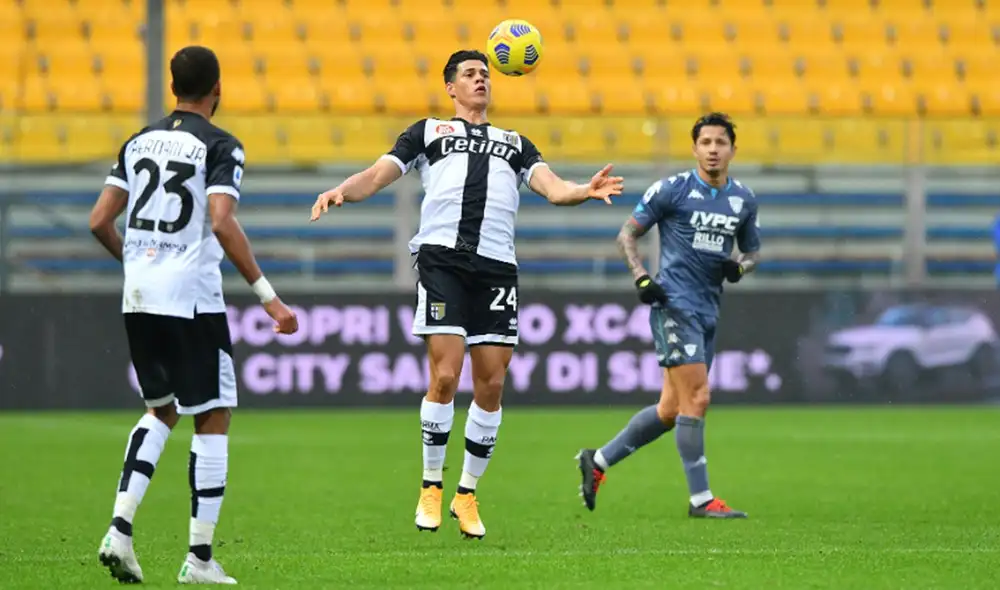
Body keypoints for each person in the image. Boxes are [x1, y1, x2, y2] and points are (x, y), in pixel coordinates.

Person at [310, 49, 623, 539]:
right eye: (470, 75)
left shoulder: (515, 143)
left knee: (492, 385)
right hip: (443, 261)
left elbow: (554, 188)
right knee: (445, 375)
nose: (480, 81)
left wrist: (586, 189)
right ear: (450, 88)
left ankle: (467, 493)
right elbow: (377, 174)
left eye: (485, 75)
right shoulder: (428, 132)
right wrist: (341, 191)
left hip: (497, 267)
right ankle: (431, 485)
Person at [88, 45, 298, 584]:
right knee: (214, 414)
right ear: (217, 89)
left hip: (139, 293)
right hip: (192, 298)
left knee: (160, 410)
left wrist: (137, 263)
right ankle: (200, 560)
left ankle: (119, 529)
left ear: (174, 87)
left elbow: (98, 221)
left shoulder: (137, 141)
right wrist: (269, 296)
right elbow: (223, 222)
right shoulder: (221, 144)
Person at [576, 112, 761, 519]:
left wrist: (740, 269)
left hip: (709, 308)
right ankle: (701, 500)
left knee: (671, 410)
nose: (713, 149)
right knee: (698, 397)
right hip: (675, 304)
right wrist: (642, 277)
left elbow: (751, 252)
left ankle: (598, 461)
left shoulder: (743, 199)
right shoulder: (672, 190)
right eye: (706, 142)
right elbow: (627, 233)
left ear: (732, 149)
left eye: (721, 142)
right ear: (694, 148)